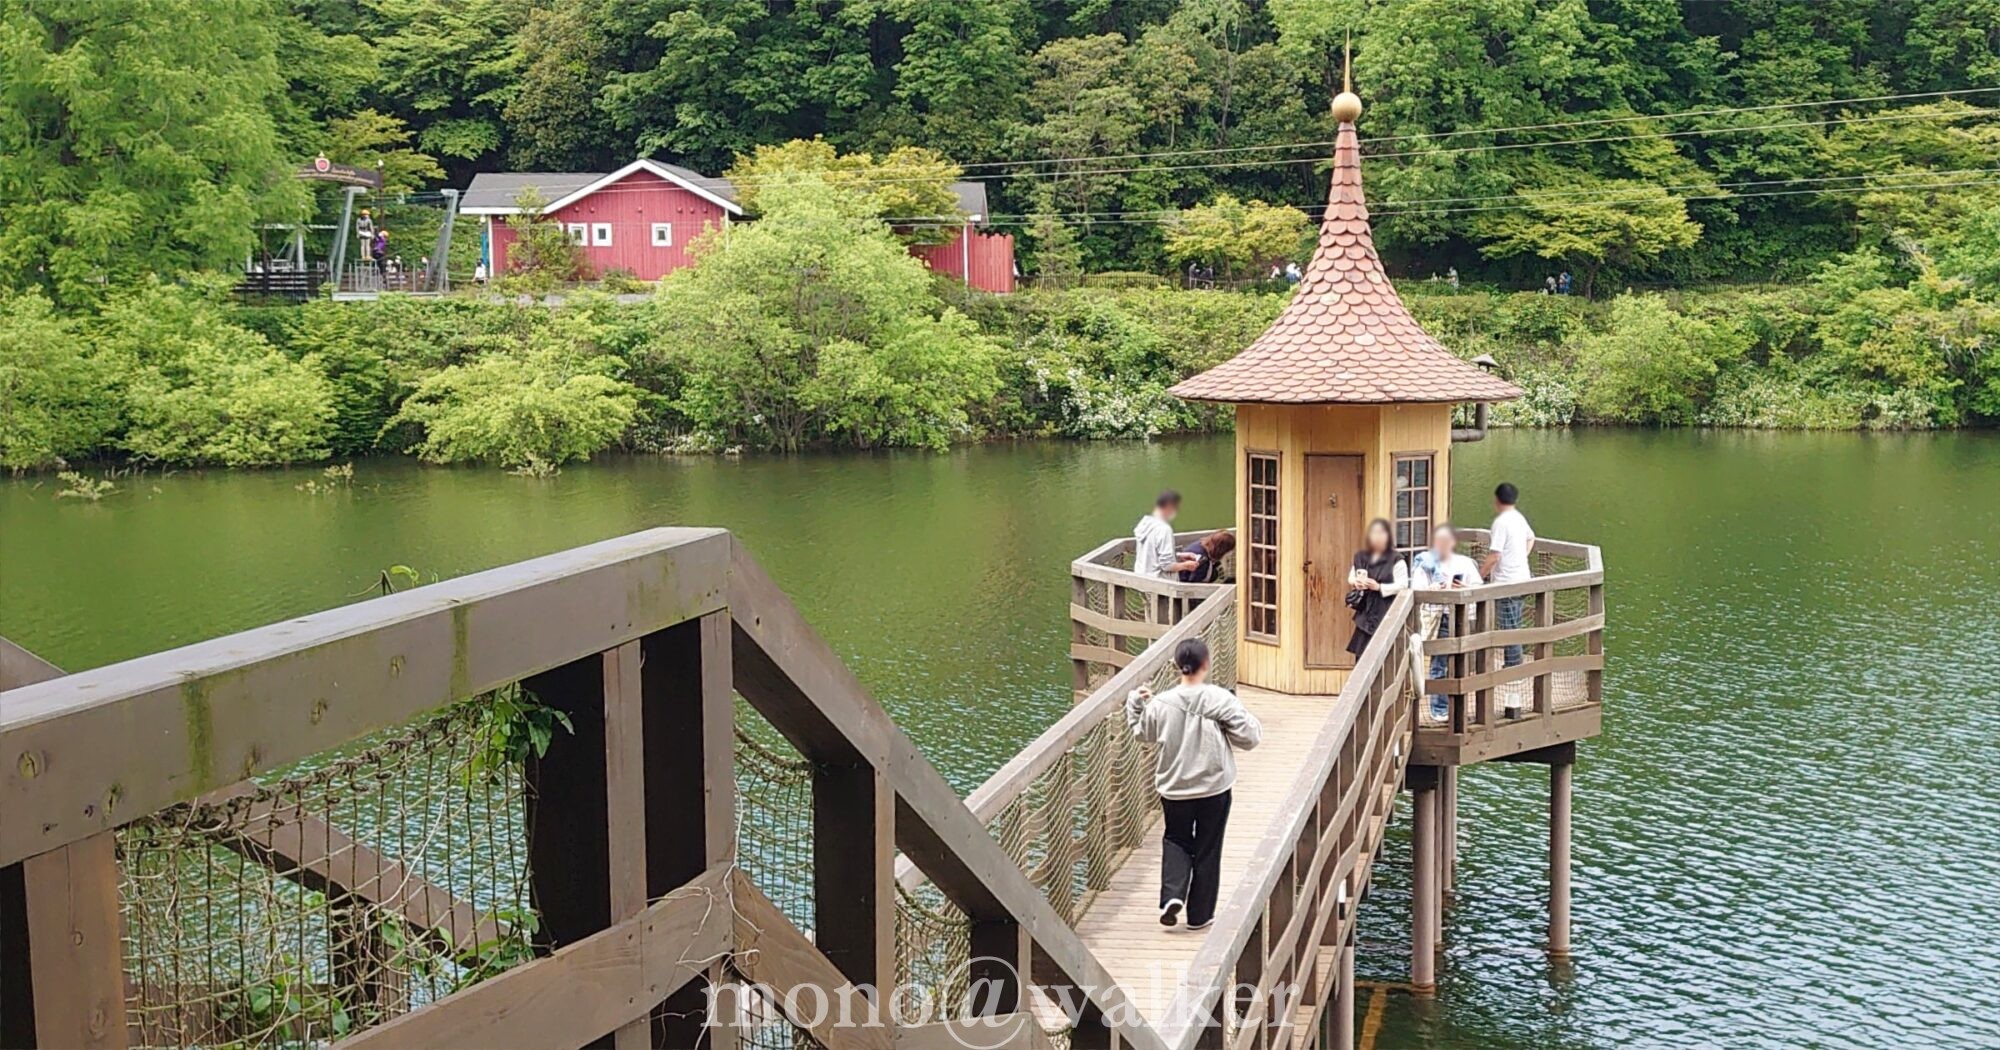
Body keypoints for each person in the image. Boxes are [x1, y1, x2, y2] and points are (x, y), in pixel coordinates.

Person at [1126, 637, 1262, 930]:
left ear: (1177, 666)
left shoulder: (1161, 703)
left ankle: (1172, 896)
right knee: (1208, 847)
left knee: (1176, 838)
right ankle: (1199, 916)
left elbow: (1142, 734)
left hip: (1174, 788)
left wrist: (1135, 704)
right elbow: (1249, 738)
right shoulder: (1219, 699)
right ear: (1206, 664)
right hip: (1214, 787)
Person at [1413, 524, 1482, 722]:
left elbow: (1479, 587)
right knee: (1439, 664)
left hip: (1462, 616)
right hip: (1438, 615)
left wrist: (1465, 586)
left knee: (1462, 662)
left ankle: (1458, 707)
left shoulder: (1465, 563)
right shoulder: (1425, 564)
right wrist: (1435, 588)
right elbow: (1416, 591)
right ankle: (1439, 708)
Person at [1482, 483, 1537, 700]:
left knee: (1508, 624)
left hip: (1506, 581)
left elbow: (1494, 554)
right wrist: (1521, 557)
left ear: (1497, 500)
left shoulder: (1501, 522)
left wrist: (1480, 575)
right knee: (1514, 621)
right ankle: (1513, 664)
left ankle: (1513, 668)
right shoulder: (1518, 517)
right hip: (1522, 577)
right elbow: (1531, 538)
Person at [1345, 518, 1408, 658]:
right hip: (1366, 611)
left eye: (1381, 533)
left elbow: (1403, 585)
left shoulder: (1397, 559)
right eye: (1374, 533)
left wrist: (1379, 587)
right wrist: (1357, 583)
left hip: (1387, 609)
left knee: (1385, 654)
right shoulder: (1361, 556)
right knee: (1362, 655)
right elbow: (1351, 576)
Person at [1135, 490, 1200, 579]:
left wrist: (1179, 556)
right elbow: (1166, 565)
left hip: (1141, 578)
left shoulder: (1145, 523)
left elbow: (1152, 555)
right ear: (1169, 506)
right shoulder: (1164, 529)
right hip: (1159, 584)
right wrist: (1185, 565)